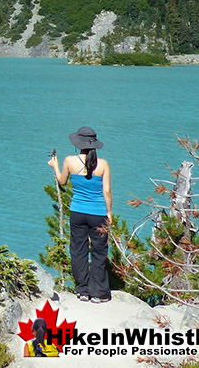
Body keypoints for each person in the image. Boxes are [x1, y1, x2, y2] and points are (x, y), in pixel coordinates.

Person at [48, 126, 112, 303]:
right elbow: (106, 191)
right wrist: (109, 212)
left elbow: (62, 181)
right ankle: (98, 292)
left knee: (78, 250)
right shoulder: (103, 164)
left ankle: (82, 289)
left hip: (77, 212)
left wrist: (55, 166)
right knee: (99, 252)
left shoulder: (70, 161)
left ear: (78, 143)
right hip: (98, 213)